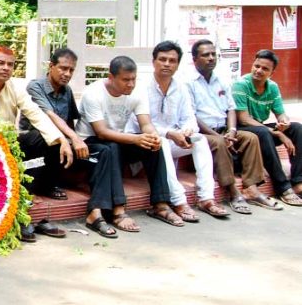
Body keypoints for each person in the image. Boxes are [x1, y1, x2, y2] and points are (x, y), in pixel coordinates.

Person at [20, 48, 128, 238]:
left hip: (63, 147)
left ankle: (96, 212)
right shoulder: (35, 86)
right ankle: (45, 186)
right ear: (51, 66)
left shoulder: (67, 91)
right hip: (37, 148)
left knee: (104, 151)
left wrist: (77, 142)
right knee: (49, 138)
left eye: (71, 70)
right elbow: (50, 118)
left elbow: (70, 123)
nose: (67, 74)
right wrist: (74, 140)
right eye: (63, 68)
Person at [0, 45, 73, 242]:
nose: (6, 68)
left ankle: (30, 193)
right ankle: (20, 212)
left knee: (42, 138)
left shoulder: (14, 88)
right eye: (0, 63)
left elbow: (35, 113)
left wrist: (62, 139)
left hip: (9, 144)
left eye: (10, 65)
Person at [76, 56, 182, 228]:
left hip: (118, 140)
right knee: (112, 146)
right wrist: (136, 138)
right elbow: (101, 132)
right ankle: (118, 210)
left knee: (153, 146)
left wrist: (153, 136)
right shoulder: (93, 93)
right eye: (125, 80)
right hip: (90, 143)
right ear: (111, 77)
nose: (131, 84)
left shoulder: (137, 92)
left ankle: (161, 204)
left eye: (133, 79)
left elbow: (146, 124)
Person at [132, 41, 227, 221]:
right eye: (163, 59)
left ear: (177, 64)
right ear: (154, 62)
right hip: (146, 141)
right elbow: (138, 123)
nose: (167, 64)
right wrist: (168, 133)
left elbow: (190, 117)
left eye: (172, 60)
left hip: (176, 138)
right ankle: (179, 201)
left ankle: (206, 198)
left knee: (199, 140)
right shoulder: (141, 87)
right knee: (163, 144)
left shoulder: (180, 87)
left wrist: (187, 131)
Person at [185, 39, 271, 214]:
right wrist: (219, 136)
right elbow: (191, 115)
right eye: (205, 55)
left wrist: (231, 131)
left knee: (251, 138)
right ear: (194, 59)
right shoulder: (187, 82)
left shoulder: (221, 79)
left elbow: (231, 108)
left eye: (213, 54)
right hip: (201, 131)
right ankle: (233, 191)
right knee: (220, 142)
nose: (211, 58)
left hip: (223, 129)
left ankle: (251, 187)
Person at [233, 49, 302, 206]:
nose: (259, 71)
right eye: (256, 66)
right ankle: (282, 187)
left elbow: (281, 114)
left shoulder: (272, 87)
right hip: (242, 130)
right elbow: (243, 118)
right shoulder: (241, 85)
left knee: (297, 128)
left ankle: (298, 182)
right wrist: (278, 134)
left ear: (272, 72)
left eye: (265, 69)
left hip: (261, 128)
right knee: (264, 132)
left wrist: (284, 123)